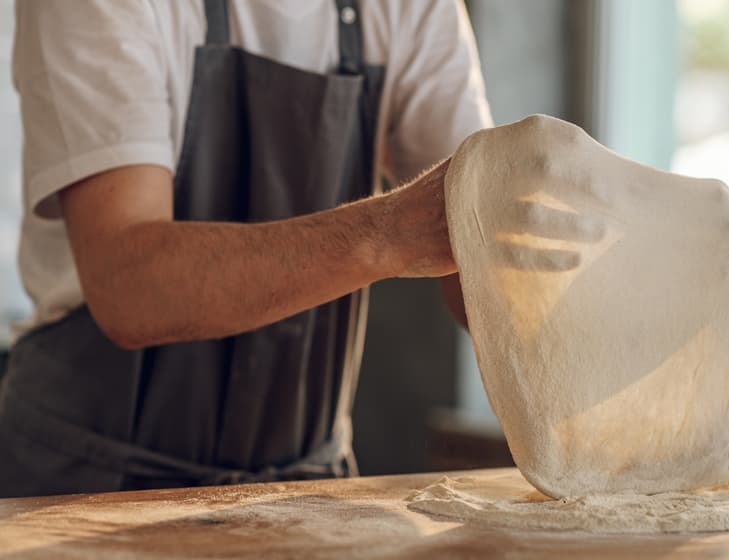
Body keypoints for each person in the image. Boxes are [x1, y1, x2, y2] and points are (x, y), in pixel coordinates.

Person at [0, 0, 494, 497]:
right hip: (88, 482)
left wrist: (544, 284)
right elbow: (130, 285)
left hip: (303, 490)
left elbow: (477, 241)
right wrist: (385, 232)